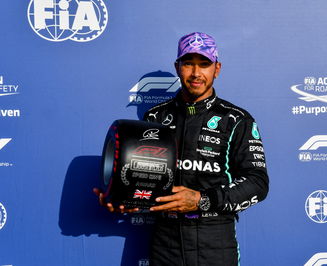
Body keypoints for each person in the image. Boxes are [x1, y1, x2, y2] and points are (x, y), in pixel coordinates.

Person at [95, 32, 269, 266]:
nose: (196, 73)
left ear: (217, 69)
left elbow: (258, 183)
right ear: (177, 67)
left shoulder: (236, 119)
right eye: (188, 64)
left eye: (204, 64)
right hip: (165, 240)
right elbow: (146, 181)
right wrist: (122, 200)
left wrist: (201, 200)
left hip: (214, 238)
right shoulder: (155, 116)